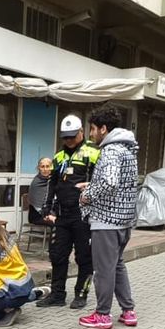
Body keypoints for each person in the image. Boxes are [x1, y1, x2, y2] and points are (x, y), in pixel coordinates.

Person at [77, 107, 139, 329]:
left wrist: (87, 194)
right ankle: (128, 311)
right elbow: (120, 183)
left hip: (106, 221)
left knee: (103, 270)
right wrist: (93, 184)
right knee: (117, 265)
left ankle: (102, 314)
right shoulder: (127, 149)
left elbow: (110, 182)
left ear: (103, 129)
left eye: (93, 129)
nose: (91, 134)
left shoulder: (111, 150)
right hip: (124, 220)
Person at [37, 115, 99, 310]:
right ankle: (57, 295)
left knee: (84, 257)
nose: (69, 140)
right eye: (65, 137)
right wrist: (47, 205)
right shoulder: (58, 157)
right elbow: (52, 184)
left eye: (72, 136)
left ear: (81, 132)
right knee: (57, 254)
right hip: (62, 215)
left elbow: (101, 182)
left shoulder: (94, 152)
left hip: (84, 215)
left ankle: (81, 294)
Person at [28, 157, 53, 224]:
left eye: (47, 166)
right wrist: (49, 215)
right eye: (42, 167)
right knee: (61, 223)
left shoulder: (53, 180)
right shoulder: (36, 182)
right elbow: (37, 206)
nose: (45, 169)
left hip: (51, 213)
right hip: (37, 215)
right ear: (39, 168)